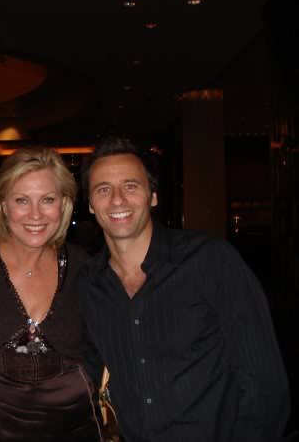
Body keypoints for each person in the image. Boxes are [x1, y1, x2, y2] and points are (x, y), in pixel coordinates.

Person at [78, 136, 291, 441]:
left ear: (153, 196)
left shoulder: (211, 261)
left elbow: (265, 384)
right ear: (90, 204)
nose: (117, 200)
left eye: (130, 186)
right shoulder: (89, 283)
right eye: (103, 189)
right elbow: (88, 376)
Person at [0, 147, 102, 441]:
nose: (35, 214)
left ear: (64, 204)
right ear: (3, 204)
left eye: (47, 200)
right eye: (22, 200)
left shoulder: (84, 265)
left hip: (76, 428)